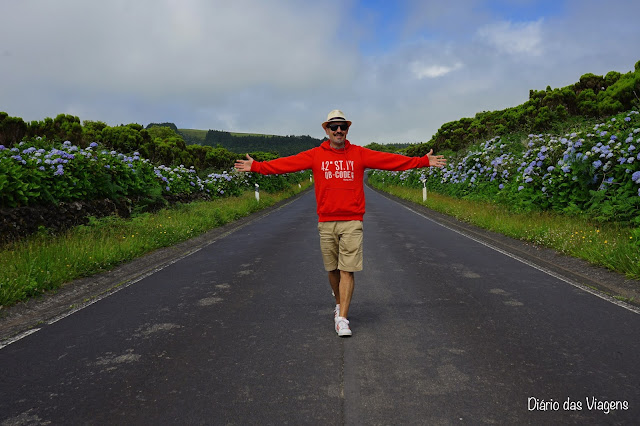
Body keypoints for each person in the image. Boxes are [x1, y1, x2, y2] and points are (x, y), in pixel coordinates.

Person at [234, 110, 446, 337]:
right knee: (332, 269)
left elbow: (389, 160)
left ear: (347, 129)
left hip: (352, 221)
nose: (338, 130)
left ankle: (343, 318)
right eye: (333, 127)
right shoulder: (315, 155)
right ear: (326, 130)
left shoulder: (359, 154)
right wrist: (257, 167)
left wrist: (422, 161)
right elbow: (286, 164)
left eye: (342, 126)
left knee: (347, 269)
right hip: (326, 221)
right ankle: (338, 303)